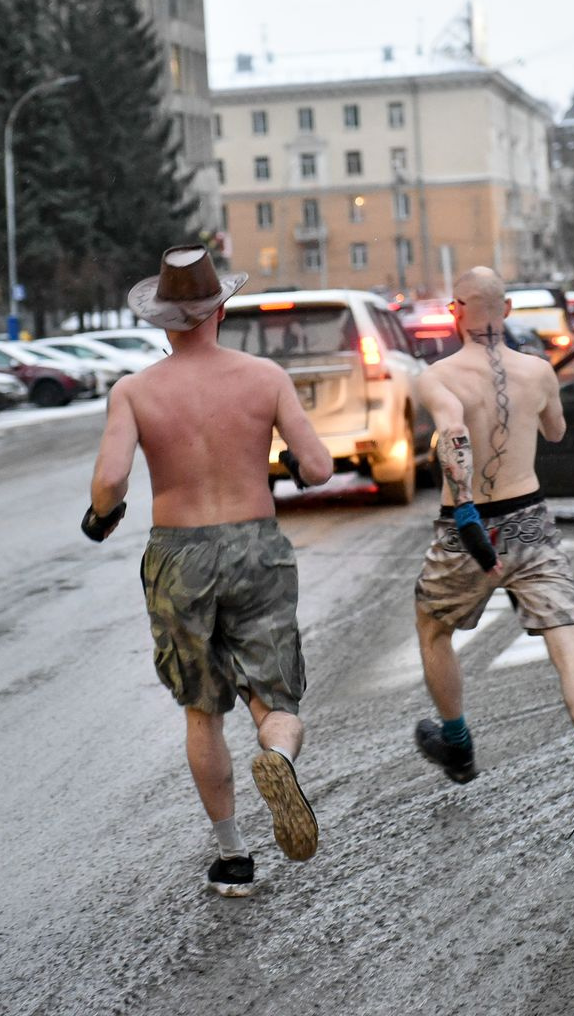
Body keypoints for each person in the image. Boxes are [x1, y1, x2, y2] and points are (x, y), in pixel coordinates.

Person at [83, 245, 333, 896]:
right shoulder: (265, 377)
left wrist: (101, 515)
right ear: (221, 309)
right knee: (275, 699)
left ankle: (232, 857)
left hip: (177, 553)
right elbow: (319, 466)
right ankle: (276, 755)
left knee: (202, 710)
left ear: (164, 321)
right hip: (256, 545)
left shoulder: (135, 391)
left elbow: (110, 479)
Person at [410, 266, 574, 839]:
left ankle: (457, 745)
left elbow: (453, 433)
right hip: (530, 518)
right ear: (504, 312)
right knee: (568, 638)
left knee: (432, 626)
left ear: (456, 310)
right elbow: (555, 432)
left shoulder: (439, 375)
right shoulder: (539, 371)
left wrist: (470, 513)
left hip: (467, 527)